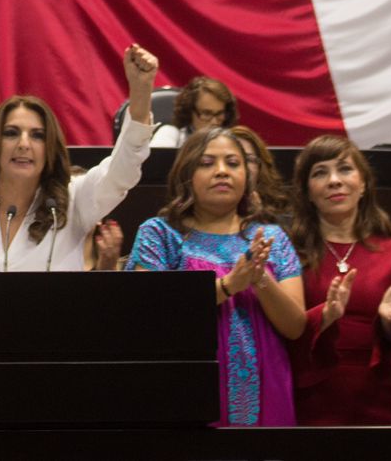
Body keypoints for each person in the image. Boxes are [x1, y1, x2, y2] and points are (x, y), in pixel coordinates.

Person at [0, 44, 160, 272]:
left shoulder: (74, 202)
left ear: (50, 148)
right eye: (11, 133)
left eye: (37, 136)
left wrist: (140, 93)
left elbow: (123, 171)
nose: (24, 144)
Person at [126, 127, 305, 426]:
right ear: (186, 175)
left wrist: (260, 278)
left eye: (233, 163)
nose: (222, 172)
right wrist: (229, 285)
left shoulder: (271, 238)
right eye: (207, 163)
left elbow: (295, 326)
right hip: (187, 392)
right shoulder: (160, 233)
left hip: (268, 390)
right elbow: (152, 315)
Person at [287, 136, 391, 425]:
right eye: (320, 172)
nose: (334, 180)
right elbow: (280, 328)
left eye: (345, 169)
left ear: (364, 184)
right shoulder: (289, 251)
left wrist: (388, 321)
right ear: (307, 191)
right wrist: (323, 316)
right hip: (308, 395)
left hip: (377, 396)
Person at [150, 76, 239, 149]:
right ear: (189, 112)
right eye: (206, 114)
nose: (214, 122)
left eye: (219, 113)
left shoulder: (233, 141)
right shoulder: (170, 134)